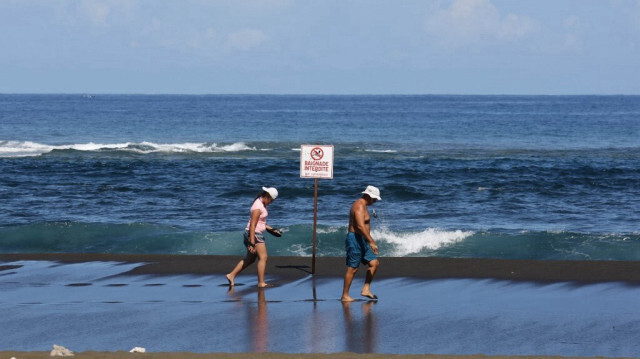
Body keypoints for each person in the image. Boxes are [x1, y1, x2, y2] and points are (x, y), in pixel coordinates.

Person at [226, 186, 281, 288]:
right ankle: (261, 283)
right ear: (267, 196)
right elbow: (252, 224)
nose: (271, 203)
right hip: (254, 234)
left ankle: (231, 275)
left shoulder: (260, 203)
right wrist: (252, 242)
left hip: (254, 233)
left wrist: (271, 229)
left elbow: (260, 222)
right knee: (263, 257)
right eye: (272, 200)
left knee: (250, 259)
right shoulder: (258, 206)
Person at [341, 185, 381, 302]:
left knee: (374, 263)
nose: (375, 201)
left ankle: (366, 289)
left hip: (362, 239)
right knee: (353, 268)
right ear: (368, 196)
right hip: (354, 239)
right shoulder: (358, 206)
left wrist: (368, 240)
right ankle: (345, 295)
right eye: (374, 199)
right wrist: (371, 241)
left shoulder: (364, 205)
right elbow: (359, 226)